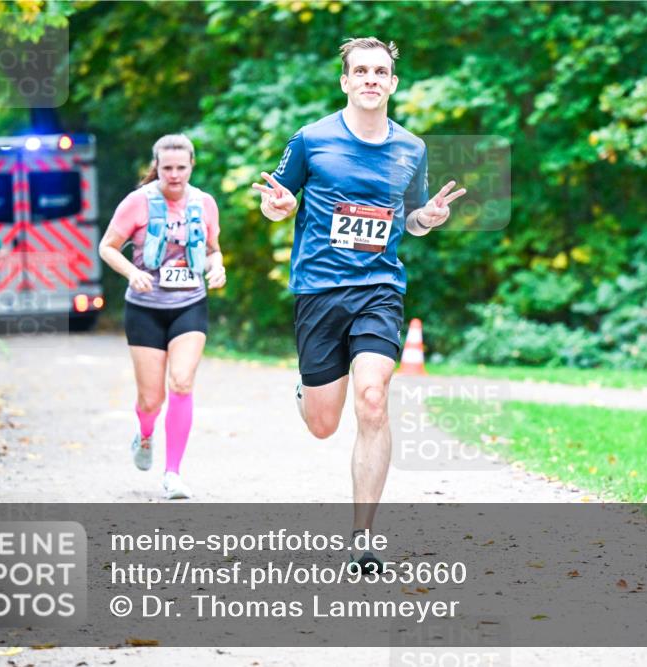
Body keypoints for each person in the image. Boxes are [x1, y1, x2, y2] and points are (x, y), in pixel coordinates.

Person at [252, 37, 466, 572]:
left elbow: (411, 218)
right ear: (346, 81)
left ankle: (362, 538)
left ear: (393, 83)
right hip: (319, 290)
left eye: (381, 71)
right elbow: (277, 202)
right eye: (361, 70)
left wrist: (427, 219)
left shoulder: (411, 148)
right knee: (323, 424)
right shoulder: (311, 139)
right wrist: (278, 207)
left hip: (379, 288)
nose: (371, 78)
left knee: (373, 400)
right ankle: (307, 391)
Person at [98, 134, 226, 500]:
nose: (174, 175)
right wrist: (131, 272)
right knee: (151, 400)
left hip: (189, 305)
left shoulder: (204, 203)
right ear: (157, 167)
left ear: (191, 166)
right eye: (167, 168)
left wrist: (217, 267)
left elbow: (213, 250)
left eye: (181, 167)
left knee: (182, 383)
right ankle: (145, 434)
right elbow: (107, 247)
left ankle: (173, 474)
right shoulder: (137, 202)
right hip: (145, 308)